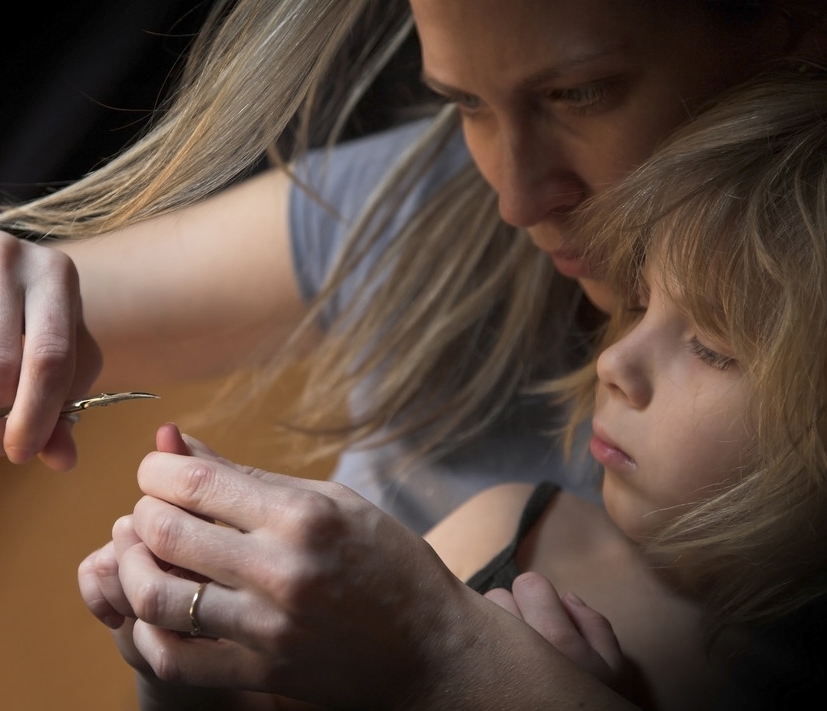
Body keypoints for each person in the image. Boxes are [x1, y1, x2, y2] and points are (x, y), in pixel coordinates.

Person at [0, 0, 824, 702]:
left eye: (580, 93)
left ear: (792, 25)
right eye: (464, 103)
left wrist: (445, 649)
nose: (514, 194)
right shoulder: (428, 204)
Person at [80, 72, 827, 709]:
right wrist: (185, 667)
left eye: (710, 345)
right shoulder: (507, 535)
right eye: (635, 302)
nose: (615, 362)